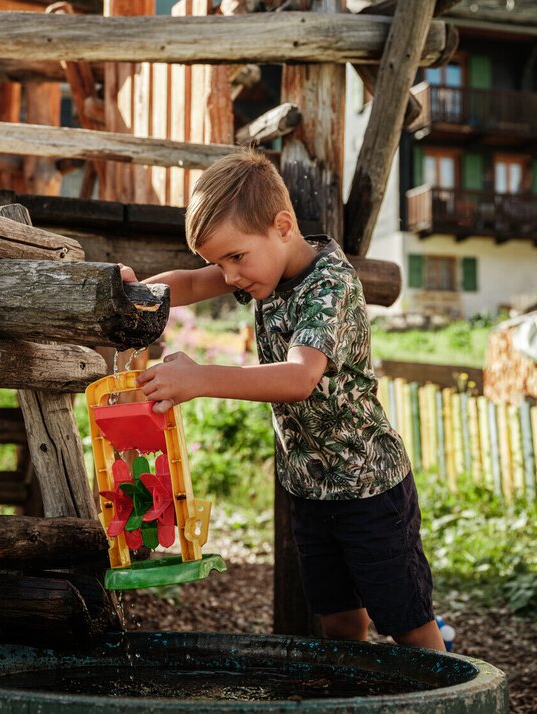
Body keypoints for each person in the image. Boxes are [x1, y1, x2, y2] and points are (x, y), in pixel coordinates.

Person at [119, 150, 445, 651]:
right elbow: (187, 282)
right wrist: (139, 292)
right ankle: (354, 702)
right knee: (338, 623)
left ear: (283, 226)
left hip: (368, 487)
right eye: (218, 262)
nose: (227, 277)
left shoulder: (328, 285)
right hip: (309, 488)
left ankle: (444, 702)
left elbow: (299, 378)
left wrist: (201, 378)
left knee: (406, 623)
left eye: (235, 258)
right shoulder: (262, 271)